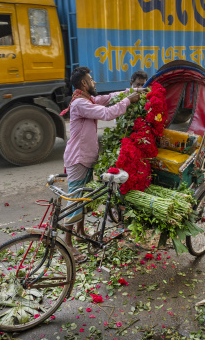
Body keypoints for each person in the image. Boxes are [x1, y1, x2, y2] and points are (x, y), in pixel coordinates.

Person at [62, 67, 147, 263]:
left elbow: (109, 98)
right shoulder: (80, 104)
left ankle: (80, 232)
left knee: (83, 198)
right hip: (77, 158)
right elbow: (107, 113)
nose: (94, 82)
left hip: (85, 157)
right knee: (75, 201)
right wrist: (128, 101)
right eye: (91, 80)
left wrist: (132, 92)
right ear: (83, 84)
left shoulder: (87, 99)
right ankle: (67, 242)